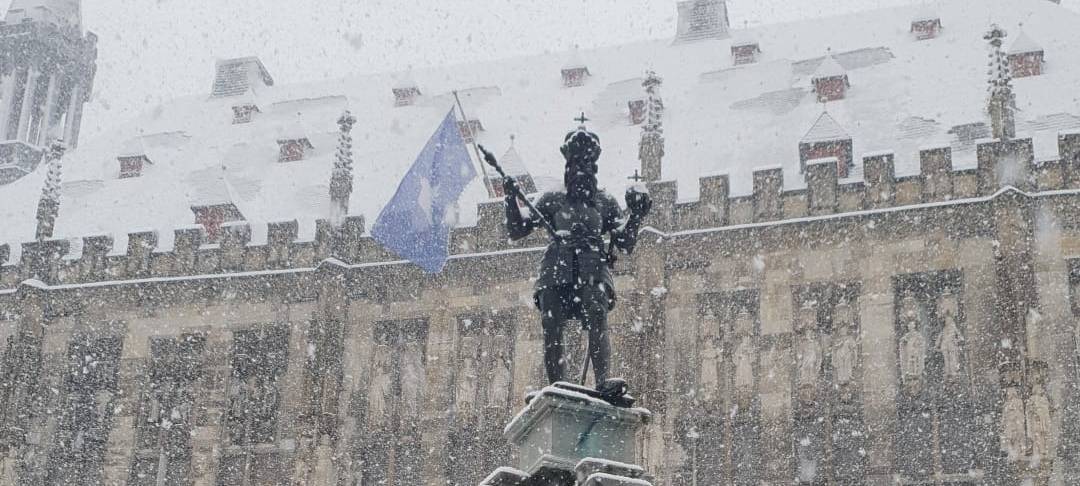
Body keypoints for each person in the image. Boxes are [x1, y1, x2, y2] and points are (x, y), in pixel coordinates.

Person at [503, 124, 651, 387]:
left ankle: (602, 381)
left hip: (592, 267)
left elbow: (625, 242)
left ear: (594, 165)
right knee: (552, 325)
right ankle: (557, 385)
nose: (582, 166)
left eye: (587, 161)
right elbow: (517, 229)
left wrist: (636, 215)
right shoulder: (552, 198)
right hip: (556, 266)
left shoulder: (604, 201)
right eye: (577, 160)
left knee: (597, 316)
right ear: (568, 163)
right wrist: (510, 198)